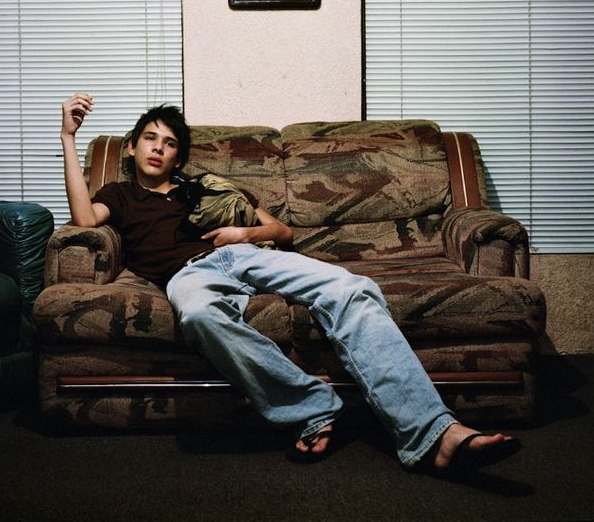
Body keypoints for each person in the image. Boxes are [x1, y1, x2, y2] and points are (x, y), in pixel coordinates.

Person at [60, 93, 521, 474]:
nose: (158, 148)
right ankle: (314, 407)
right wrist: (68, 137)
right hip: (189, 275)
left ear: (179, 154)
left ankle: (436, 433)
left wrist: (244, 233)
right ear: (131, 148)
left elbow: (282, 232)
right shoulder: (117, 195)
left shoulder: (203, 188)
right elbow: (84, 219)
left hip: (243, 253)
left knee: (350, 287)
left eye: (169, 143)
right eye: (149, 139)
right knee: (198, 314)